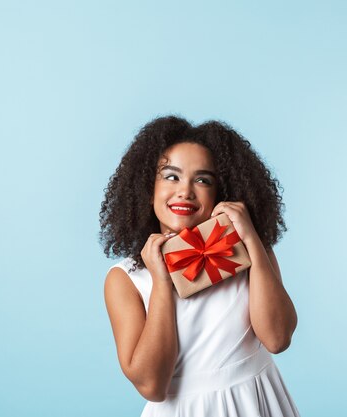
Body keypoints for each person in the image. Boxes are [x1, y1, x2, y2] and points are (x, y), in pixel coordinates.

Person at [100, 115, 301, 416]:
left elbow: (277, 338)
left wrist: (252, 241)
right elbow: (152, 385)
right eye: (171, 176)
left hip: (257, 402)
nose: (186, 191)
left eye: (203, 180)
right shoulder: (125, 279)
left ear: (220, 191)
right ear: (147, 186)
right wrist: (161, 283)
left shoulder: (248, 249)